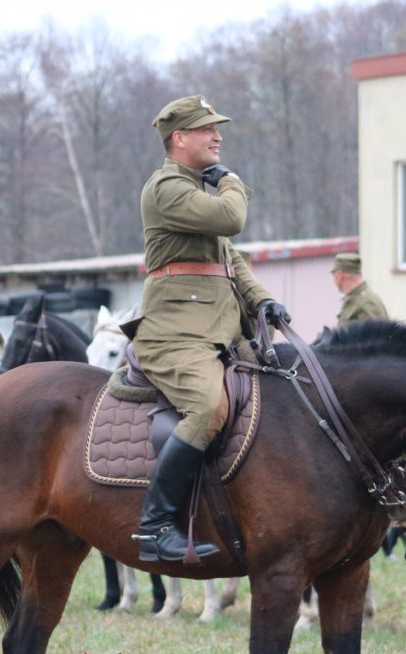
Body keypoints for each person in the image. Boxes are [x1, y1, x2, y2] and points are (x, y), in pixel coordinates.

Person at [128, 95, 290, 562]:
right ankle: (155, 527)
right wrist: (234, 183)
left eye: (218, 130)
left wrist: (263, 301)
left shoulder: (197, 190)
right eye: (208, 130)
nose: (218, 137)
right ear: (179, 139)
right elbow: (232, 220)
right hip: (175, 335)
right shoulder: (167, 189)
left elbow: (230, 260)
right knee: (207, 408)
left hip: (219, 330)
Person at [331, 253, 387, 325]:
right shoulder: (355, 300)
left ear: (339, 275)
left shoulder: (366, 303)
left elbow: (373, 335)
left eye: (334, 275)